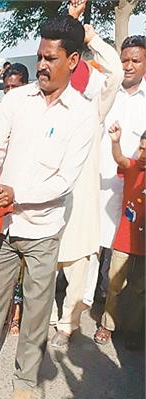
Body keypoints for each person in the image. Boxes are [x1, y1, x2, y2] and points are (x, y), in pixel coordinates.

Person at [0, 15, 95, 399]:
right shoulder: (16, 101)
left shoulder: (82, 114)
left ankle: (25, 381)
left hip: (43, 230)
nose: (42, 65)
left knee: (35, 309)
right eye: (40, 56)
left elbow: (64, 181)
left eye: (51, 58)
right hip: (3, 223)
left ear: (73, 60)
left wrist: (19, 195)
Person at [48, 15, 124, 354]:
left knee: (78, 272)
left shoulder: (93, 110)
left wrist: (91, 38)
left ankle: (67, 325)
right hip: (49, 203)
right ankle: (46, 320)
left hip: (81, 206)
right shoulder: (48, 109)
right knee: (44, 268)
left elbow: (117, 74)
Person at [92, 34, 146, 301]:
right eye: (124, 60)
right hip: (100, 183)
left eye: (135, 60)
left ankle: (117, 314)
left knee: (126, 254)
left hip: (135, 193)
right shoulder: (105, 90)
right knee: (94, 246)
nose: (128, 66)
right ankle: (88, 303)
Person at [93, 125, 145, 350]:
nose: (143, 154)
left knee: (139, 289)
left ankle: (133, 330)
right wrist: (116, 141)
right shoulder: (133, 167)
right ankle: (107, 325)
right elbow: (121, 159)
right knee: (114, 284)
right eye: (141, 149)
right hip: (124, 240)